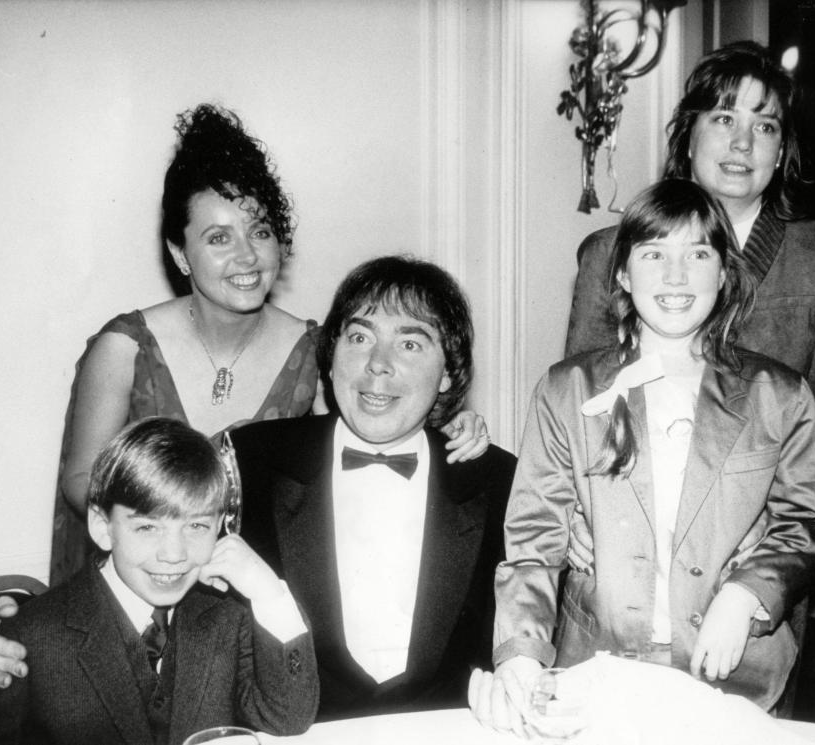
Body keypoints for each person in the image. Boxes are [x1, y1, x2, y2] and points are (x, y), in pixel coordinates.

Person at [50, 103, 488, 587]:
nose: (247, 255)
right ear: (180, 253)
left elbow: (369, 432)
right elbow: (80, 482)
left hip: (255, 586)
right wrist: (168, 539)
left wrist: (448, 421)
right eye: (219, 237)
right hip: (145, 576)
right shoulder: (123, 348)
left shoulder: (316, 348)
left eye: (260, 231)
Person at [468, 180, 815, 733]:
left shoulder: (778, 394)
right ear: (622, 273)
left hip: (730, 682)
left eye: (697, 254)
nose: (675, 277)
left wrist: (746, 596)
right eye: (653, 254)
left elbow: (809, 520)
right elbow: (534, 539)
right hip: (594, 672)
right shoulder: (566, 389)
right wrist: (522, 653)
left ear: (723, 272)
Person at [565, 41, 815, 506]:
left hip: (776, 541)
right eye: (725, 118)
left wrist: (773, 534)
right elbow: (583, 407)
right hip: (635, 527)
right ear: (689, 137)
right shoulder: (609, 254)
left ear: (781, 152)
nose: (743, 143)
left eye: (765, 126)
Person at [231, 255, 517, 720]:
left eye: (410, 344)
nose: (377, 366)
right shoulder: (250, 463)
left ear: (448, 372)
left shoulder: (500, 483)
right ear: (331, 351)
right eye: (360, 338)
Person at [0, 417, 318, 744]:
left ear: (220, 528)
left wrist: (270, 594)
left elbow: (286, 718)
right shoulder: (30, 636)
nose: (174, 554)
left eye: (196, 526)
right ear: (102, 527)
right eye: (147, 527)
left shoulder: (228, 615)